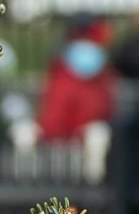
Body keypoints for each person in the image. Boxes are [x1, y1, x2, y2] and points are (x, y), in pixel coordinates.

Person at [36, 14, 116, 143]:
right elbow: (52, 116)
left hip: (85, 141)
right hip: (56, 143)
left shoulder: (102, 78)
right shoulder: (60, 75)